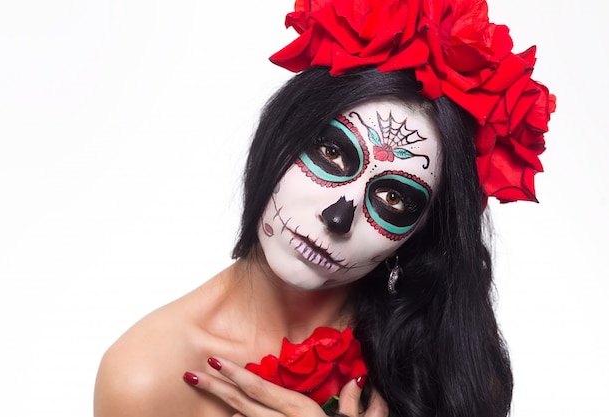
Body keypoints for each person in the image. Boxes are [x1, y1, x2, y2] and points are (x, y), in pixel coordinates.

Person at [93, 1, 555, 416]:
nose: (339, 216)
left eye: (394, 198)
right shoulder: (146, 378)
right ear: (281, 136)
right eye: (333, 154)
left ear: (421, 231)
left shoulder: (451, 371)